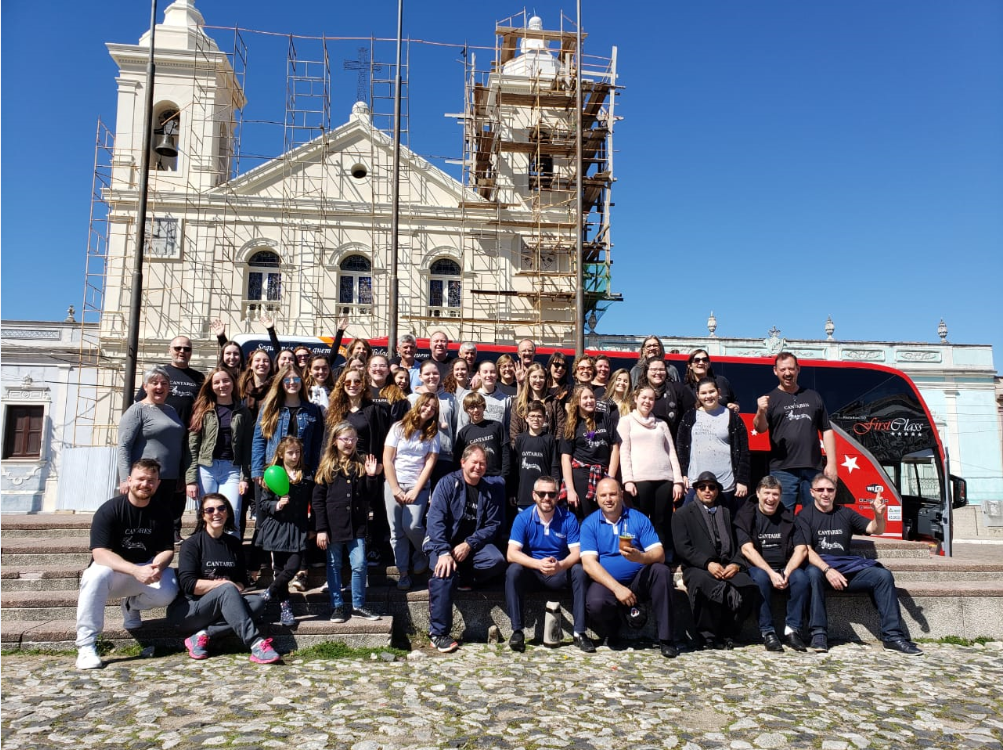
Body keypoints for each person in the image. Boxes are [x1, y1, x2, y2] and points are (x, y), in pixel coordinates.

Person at [795, 474, 921, 655]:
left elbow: (875, 529)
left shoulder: (845, 513)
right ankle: (819, 634)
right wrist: (828, 570)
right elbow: (806, 550)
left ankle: (893, 637)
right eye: (820, 490)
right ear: (812, 492)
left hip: (848, 570)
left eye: (830, 490)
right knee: (812, 574)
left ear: (835, 493)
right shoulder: (804, 516)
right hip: (821, 569)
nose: (825, 494)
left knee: (882, 576)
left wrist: (878, 516)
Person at [75, 458, 179, 669]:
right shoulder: (109, 510)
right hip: (114, 573)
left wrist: (158, 565)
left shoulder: (163, 513)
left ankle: (131, 605)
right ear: (129, 480)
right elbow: (100, 553)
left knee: (169, 589)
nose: (145, 484)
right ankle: (86, 645)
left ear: (158, 484)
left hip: (145, 570)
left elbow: (167, 549)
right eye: (140, 479)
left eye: (151, 480)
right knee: (95, 576)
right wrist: (135, 570)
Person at [166, 493, 280, 664]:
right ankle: (256, 643)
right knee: (226, 589)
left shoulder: (233, 544)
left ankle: (203, 635)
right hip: (189, 610)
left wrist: (236, 587)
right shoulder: (192, 544)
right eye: (210, 510)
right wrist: (224, 586)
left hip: (222, 605)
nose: (216, 513)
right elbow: (189, 585)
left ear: (227, 512)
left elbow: (243, 580)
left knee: (258, 603)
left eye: (221, 508)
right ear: (203, 515)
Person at [579, 478, 677, 658]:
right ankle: (613, 627)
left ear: (621, 495)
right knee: (595, 603)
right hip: (609, 583)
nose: (608, 499)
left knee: (661, 572)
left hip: (639, 577)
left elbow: (660, 554)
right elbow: (588, 563)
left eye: (612, 494)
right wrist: (617, 589)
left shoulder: (637, 518)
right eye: (603, 495)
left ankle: (666, 639)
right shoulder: (589, 524)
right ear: (597, 498)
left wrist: (641, 557)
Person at [423, 445, 507, 653]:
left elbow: (493, 525)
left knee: (496, 560)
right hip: (440, 544)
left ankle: (464, 579)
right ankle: (438, 633)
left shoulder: (489, 490)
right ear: (463, 462)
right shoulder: (447, 484)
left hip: (470, 548)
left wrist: (469, 543)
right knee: (444, 572)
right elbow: (436, 522)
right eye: (474, 463)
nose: (478, 467)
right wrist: (443, 551)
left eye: (482, 464)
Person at [505, 475, 594, 652]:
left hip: (559, 572)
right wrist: (537, 564)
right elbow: (511, 554)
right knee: (513, 571)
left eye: (551, 494)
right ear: (534, 495)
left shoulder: (568, 519)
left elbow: (577, 553)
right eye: (542, 493)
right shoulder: (523, 519)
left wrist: (561, 565)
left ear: (558, 495)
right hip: (534, 572)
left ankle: (579, 633)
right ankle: (517, 631)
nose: (546, 498)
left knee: (579, 570)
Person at [672, 471, 757, 649]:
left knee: (748, 586)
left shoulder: (726, 513)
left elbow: (737, 542)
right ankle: (707, 635)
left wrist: (736, 564)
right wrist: (707, 563)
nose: (707, 490)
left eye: (712, 487)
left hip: (726, 565)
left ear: (717, 491)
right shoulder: (682, 514)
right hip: (698, 567)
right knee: (706, 585)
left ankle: (728, 632)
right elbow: (683, 548)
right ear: (696, 491)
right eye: (702, 487)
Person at [314, 421, 383, 622]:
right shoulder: (326, 467)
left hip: (357, 526)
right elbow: (318, 501)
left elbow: (370, 496)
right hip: (333, 526)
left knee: (360, 564)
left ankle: (358, 604)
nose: (349, 443)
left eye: (353, 439)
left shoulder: (360, 465)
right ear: (335, 441)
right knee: (334, 564)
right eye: (345, 439)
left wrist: (371, 476)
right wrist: (321, 529)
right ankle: (337, 605)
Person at [753, 353, 838, 511]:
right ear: (775, 371)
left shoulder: (813, 396)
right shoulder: (770, 398)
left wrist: (832, 463)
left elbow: (826, 430)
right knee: (783, 514)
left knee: (816, 513)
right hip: (782, 469)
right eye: (783, 369)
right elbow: (760, 428)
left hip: (813, 467)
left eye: (791, 368)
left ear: (798, 369)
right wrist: (760, 411)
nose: (787, 373)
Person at [734, 476, 809, 652]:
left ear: (780, 496)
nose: (771, 498)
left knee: (801, 578)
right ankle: (767, 632)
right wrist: (771, 573)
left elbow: (802, 549)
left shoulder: (788, 516)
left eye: (775, 494)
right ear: (758, 493)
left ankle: (792, 630)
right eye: (767, 493)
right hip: (758, 567)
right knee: (760, 579)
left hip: (784, 565)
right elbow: (747, 550)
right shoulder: (746, 516)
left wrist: (787, 572)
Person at [383, 394, 440, 591]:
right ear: (418, 405)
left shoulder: (433, 433)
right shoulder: (398, 427)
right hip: (394, 484)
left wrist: (416, 490)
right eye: (426, 405)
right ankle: (403, 573)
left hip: (418, 486)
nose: (428, 409)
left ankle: (424, 552)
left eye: (433, 408)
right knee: (396, 532)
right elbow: (387, 459)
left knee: (413, 525)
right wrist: (395, 488)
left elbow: (429, 464)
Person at [186, 367, 252, 536]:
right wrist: (191, 479)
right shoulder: (202, 410)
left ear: (233, 383)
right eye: (217, 382)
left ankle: (231, 557)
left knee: (231, 515)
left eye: (226, 381)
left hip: (232, 469)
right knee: (207, 516)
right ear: (211, 385)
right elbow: (193, 447)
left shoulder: (242, 411)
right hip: (206, 468)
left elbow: (246, 446)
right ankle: (207, 557)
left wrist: (245, 477)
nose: (222, 385)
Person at [118, 366, 185, 529]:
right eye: (154, 383)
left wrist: (181, 475)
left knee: (162, 524)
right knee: (143, 523)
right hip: (145, 479)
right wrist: (124, 478)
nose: (159, 387)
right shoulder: (137, 410)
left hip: (169, 480)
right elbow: (124, 446)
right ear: (145, 386)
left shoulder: (171, 410)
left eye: (164, 383)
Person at [617, 385, 684, 548]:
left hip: (664, 478)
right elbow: (623, 452)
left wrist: (678, 481)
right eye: (644, 398)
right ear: (636, 399)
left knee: (662, 519)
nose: (647, 401)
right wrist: (628, 480)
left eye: (651, 399)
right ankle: (639, 552)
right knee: (640, 519)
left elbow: (671, 452)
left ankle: (662, 553)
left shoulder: (661, 424)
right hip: (640, 479)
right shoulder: (626, 422)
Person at [256, 436, 312, 627]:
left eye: (297, 452)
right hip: (278, 527)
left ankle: (269, 592)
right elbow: (263, 503)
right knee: (278, 568)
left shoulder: (306, 474)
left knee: (294, 566)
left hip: (298, 527)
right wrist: (277, 504)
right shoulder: (272, 474)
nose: (295, 456)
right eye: (290, 452)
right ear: (281, 454)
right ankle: (285, 608)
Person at [676, 377, 750, 514]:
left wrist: (742, 480)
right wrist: (683, 474)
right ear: (697, 395)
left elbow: (744, 451)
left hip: (726, 484)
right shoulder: (689, 417)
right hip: (695, 482)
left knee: (726, 526)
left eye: (712, 391)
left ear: (719, 392)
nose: (708, 396)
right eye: (703, 393)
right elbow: (681, 447)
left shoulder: (732, 417)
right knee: (689, 520)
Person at [251, 366, 324, 483]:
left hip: (301, 472)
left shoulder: (312, 409)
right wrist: (257, 470)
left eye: (296, 379)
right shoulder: (270, 408)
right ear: (280, 382)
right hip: (272, 470)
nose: (292, 383)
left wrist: (316, 470)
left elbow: (317, 444)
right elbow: (259, 440)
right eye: (287, 380)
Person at [560, 385, 621, 519]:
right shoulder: (571, 424)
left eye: (592, 397)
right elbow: (565, 458)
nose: (590, 400)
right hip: (581, 476)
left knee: (606, 516)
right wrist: (570, 489)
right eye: (585, 398)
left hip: (603, 474)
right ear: (577, 401)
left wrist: (610, 478)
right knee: (584, 517)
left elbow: (615, 448)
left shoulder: (603, 418)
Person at [409, 360, 459, 483]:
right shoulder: (412, 399)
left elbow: (455, 425)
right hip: (419, 456)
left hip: (444, 455)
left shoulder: (450, 398)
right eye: (427, 374)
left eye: (435, 373)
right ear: (420, 377)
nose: (432, 377)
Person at [325, 370, 387, 462]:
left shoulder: (374, 410)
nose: (352, 385)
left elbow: (381, 440)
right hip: (338, 463)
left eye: (357, 382)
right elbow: (326, 441)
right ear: (342, 385)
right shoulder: (334, 411)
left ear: (363, 385)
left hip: (364, 464)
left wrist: (380, 464)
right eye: (348, 382)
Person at [511, 401, 561, 513]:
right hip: (523, 496)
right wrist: (513, 492)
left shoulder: (549, 439)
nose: (535, 419)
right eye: (532, 416)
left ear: (544, 419)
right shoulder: (520, 439)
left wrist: (556, 490)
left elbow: (554, 466)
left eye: (539, 416)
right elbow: (515, 469)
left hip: (544, 495)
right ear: (526, 418)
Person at [454, 392, 510, 479]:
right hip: (474, 478)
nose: (476, 410)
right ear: (466, 410)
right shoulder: (463, 433)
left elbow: (506, 452)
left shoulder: (496, 426)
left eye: (478, 406)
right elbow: (459, 459)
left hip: (496, 476)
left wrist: (503, 476)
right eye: (472, 407)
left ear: (483, 407)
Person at [637, 357, 693, 439]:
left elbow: (691, 415)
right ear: (646, 371)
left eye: (662, 369)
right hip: (645, 441)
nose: (658, 372)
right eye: (654, 369)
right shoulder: (639, 392)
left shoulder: (678, 389)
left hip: (673, 441)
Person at [510, 362, 562, 443]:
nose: (538, 380)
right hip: (526, 449)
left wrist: (554, 447)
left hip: (549, 448)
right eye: (534, 377)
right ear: (528, 378)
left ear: (545, 379)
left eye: (541, 377)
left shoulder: (553, 401)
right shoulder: (519, 403)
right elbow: (514, 431)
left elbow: (561, 427)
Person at [458, 360, 512, 433]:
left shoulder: (505, 399)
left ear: (497, 375)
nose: (489, 375)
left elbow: (507, 428)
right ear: (479, 375)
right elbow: (462, 427)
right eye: (485, 372)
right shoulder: (469, 397)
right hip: (474, 442)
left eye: (492, 372)